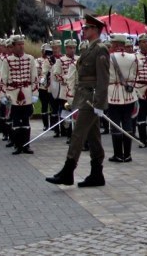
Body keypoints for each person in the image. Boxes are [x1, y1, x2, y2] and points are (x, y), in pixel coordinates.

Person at [46, 14, 110, 188]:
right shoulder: (89, 48)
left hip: (91, 99)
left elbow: (103, 79)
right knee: (93, 136)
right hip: (85, 96)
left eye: (87, 28)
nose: (84, 31)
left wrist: (99, 104)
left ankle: (68, 171)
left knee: (78, 134)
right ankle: (97, 174)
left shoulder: (100, 49)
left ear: (95, 30)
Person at [0, 34, 39, 155]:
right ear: (14, 46)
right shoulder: (7, 60)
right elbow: (3, 79)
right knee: (16, 121)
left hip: (26, 93)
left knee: (26, 121)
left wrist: (34, 93)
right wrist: (2, 95)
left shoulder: (30, 59)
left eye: (22, 44)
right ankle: (18, 145)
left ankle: (26, 145)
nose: (21, 47)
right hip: (13, 94)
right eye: (18, 45)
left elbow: (34, 78)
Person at [106, 34, 137, 162]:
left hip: (113, 94)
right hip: (129, 94)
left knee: (115, 124)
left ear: (117, 44)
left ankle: (118, 155)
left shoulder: (108, 57)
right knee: (127, 122)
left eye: (112, 44)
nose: (111, 46)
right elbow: (135, 75)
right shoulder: (133, 57)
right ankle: (128, 155)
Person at [51, 39, 78, 138]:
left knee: (76, 112)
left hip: (76, 90)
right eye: (70, 48)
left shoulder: (78, 59)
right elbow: (56, 75)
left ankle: (74, 132)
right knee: (65, 112)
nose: (72, 50)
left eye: (74, 48)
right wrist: (66, 79)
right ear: (66, 48)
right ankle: (66, 131)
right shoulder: (60, 60)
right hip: (64, 90)